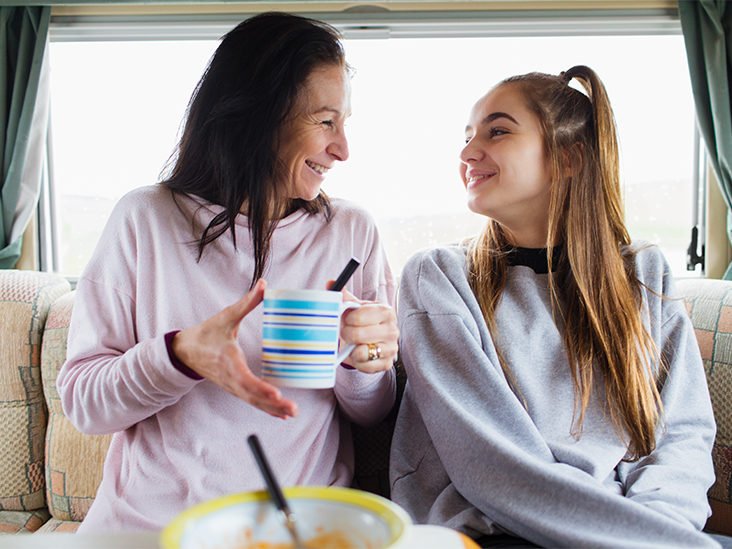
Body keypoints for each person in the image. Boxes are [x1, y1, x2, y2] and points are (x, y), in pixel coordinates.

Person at [57, 12, 398, 532]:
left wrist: (364, 360)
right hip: (150, 531)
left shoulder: (350, 232)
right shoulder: (145, 219)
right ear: (259, 115)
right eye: (325, 121)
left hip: (296, 529)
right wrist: (179, 356)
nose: (342, 149)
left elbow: (372, 414)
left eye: (344, 123)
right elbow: (85, 404)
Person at [389, 65, 723, 548]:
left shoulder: (643, 273)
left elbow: (681, 437)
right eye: (466, 137)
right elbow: (490, 467)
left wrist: (661, 527)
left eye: (497, 131)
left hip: (635, 528)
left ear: (568, 159)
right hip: (487, 530)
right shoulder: (438, 277)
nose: (466, 152)